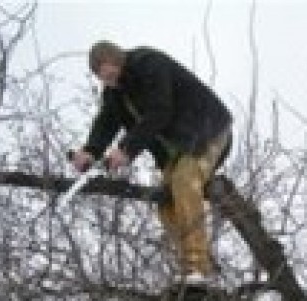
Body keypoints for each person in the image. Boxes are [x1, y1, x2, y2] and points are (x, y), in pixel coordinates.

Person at [71, 41, 233, 286]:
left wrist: (126, 149)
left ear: (118, 61)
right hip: (177, 149)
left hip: (207, 131)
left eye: (113, 75)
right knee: (165, 201)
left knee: (184, 182)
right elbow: (106, 122)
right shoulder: (115, 92)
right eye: (105, 80)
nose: (110, 82)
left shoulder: (149, 64)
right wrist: (90, 151)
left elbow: (160, 110)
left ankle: (197, 266)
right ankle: (196, 268)